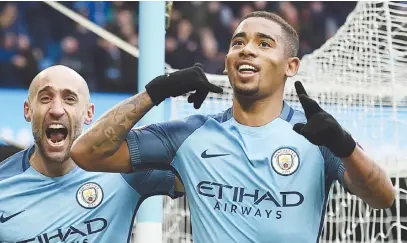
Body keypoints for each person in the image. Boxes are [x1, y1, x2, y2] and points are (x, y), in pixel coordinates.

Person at [71, 11, 395, 243]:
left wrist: (345, 146)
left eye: (264, 44)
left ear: (291, 66)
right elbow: (86, 153)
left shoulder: (317, 137)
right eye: (238, 42)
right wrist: (156, 92)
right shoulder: (190, 135)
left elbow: (383, 198)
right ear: (227, 60)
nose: (247, 49)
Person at [0, 65, 183, 243]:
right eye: (45, 98)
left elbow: (195, 176)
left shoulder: (121, 170)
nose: (56, 110)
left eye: (69, 99)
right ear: (28, 110)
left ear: (89, 113)